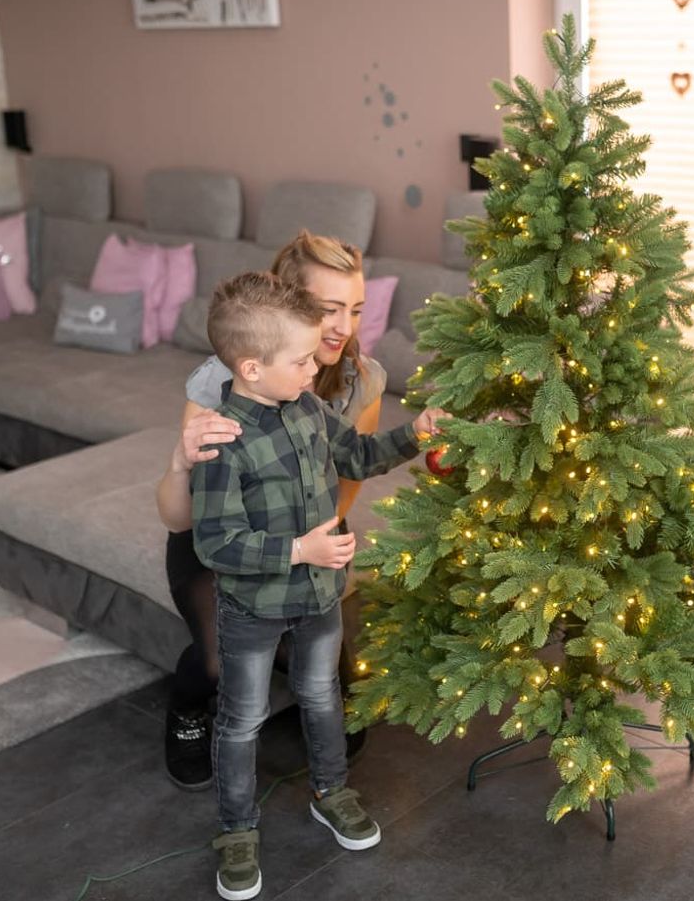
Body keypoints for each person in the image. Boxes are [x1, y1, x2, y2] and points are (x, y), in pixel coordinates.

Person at [191, 271, 444, 901]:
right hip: (253, 610)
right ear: (251, 368)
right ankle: (237, 829)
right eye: (302, 359)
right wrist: (300, 549)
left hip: (321, 600)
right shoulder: (224, 442)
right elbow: (215, 544)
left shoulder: (307, 407)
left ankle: (332, 792)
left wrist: (414, 434)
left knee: (322, 695)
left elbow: (357, 456)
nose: (314, 368)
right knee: (242, 720)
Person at [156, 233, 384, 790]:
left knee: (336, 694)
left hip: (306, 531)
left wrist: (301, 560)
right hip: (220, 537)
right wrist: (184, 464)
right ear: (292, 305)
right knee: (219, 663)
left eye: (355, 309)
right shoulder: (224, 379)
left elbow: (344, 488)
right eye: (328, 310)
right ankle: (188, 710)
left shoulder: (361, 383)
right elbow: (177, 519)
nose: (343, 328)